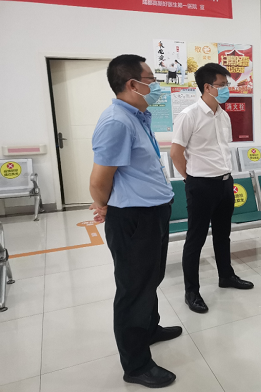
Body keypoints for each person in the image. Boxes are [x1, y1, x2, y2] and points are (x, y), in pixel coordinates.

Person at [89, 54, 181, 388]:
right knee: (133, 289)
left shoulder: (137, 116)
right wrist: (104, 206)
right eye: (151, 79)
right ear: (132, 84)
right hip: (134, 218)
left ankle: (149, 328)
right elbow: (99, 180)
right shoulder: (117, 121)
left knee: (150, 278)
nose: (156, 85)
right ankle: (136, 365)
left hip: (153, 212)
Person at [170, 63, 254, 314]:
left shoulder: (223, 115)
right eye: (222, 85)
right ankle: (191, 291)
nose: (227, 89)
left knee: (222, 234)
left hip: (225, 182)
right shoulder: (189, 115)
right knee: (195, 239)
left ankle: (226, 276)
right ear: (207, 87)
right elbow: (175, 153)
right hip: (201, 184)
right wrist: (190, 179)